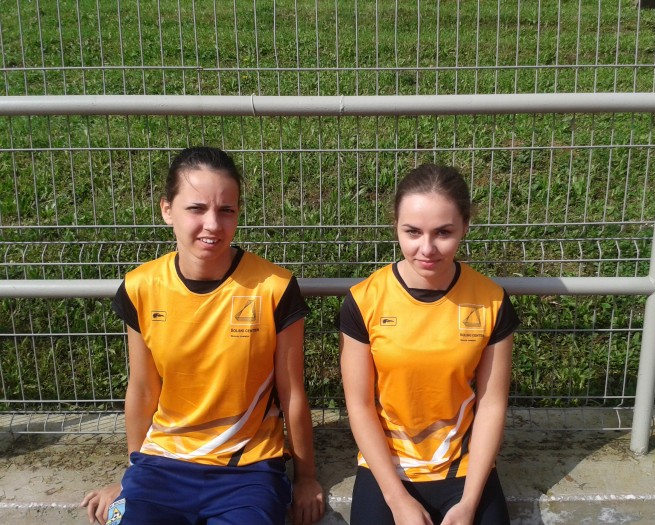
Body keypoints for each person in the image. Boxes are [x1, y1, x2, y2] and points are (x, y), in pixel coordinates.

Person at [80, 146, 325, 525]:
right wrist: (132, 475)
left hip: (248, 470)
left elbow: (292, 390)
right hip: (162, 465)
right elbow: (142, 389)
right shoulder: (141, 286)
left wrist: (306, 478)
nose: (213, 224)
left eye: (226, 210)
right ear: (167, 210)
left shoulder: (274, 287)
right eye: (196, 208)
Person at [339, 163, 519, 525]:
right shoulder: (364, 300)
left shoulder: (491, 300)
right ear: (395, 226)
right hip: (387, 468)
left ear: (465, 226)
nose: (427, 248)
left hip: (463, 468)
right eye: (412, 232)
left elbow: (491, 404)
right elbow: (359, 406)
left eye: (443, 233)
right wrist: (398, 501)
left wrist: (470, 502)